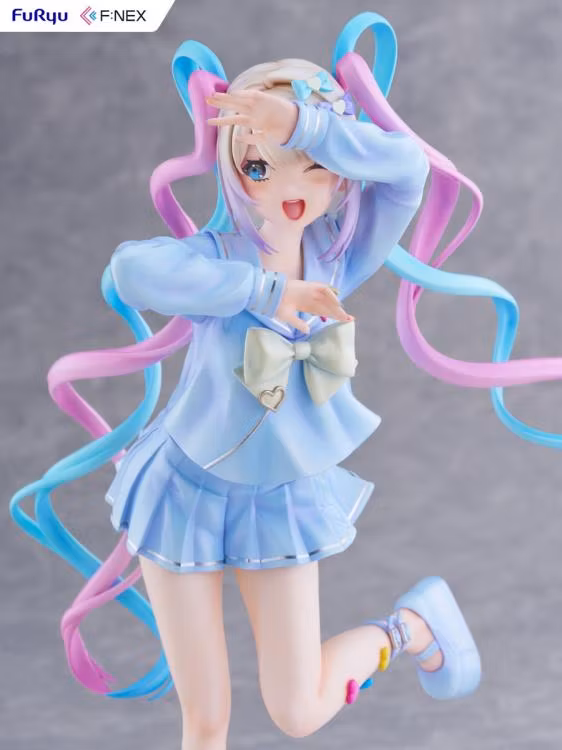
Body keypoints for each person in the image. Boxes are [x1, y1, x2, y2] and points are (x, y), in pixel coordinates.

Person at [11, 10, 561, 749]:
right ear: (233, 168)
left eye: (313, 164)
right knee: (204, 721)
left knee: (298, 711)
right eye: (260, 165)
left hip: (279, 500)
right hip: (181, 491)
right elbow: (130, 270)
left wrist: (305, 124)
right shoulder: (217, 255)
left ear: (337, 168)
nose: (291, 186)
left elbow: (408, 168)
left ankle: (408, 627)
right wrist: (263, 292)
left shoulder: (341, 255)